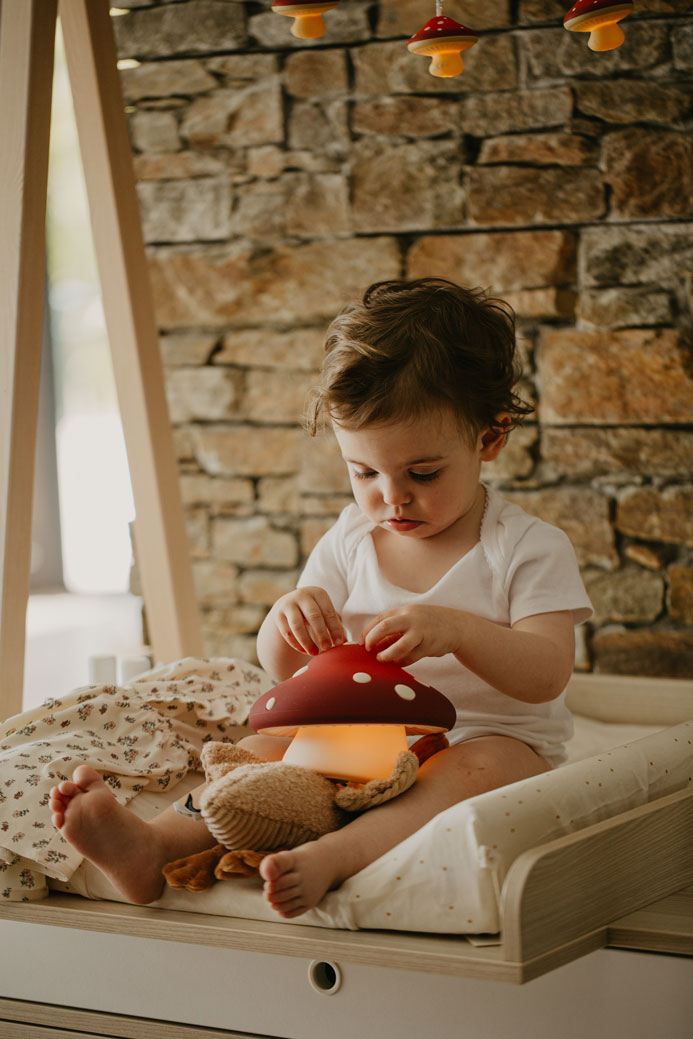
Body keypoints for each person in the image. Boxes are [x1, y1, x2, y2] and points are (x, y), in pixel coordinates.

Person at [50, 278, 592, 917]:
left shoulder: (526, 548)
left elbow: (547, 674)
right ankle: (152, 845)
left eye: (423, 473)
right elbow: (286, 676)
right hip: (357, 738)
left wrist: (462, 632)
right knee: (262, 754)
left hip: (487, 739)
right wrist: (288, 617)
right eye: (364, 472)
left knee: (471, 772)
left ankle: (339, 854)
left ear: (489, 439)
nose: (392, 497)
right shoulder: (352, 538)